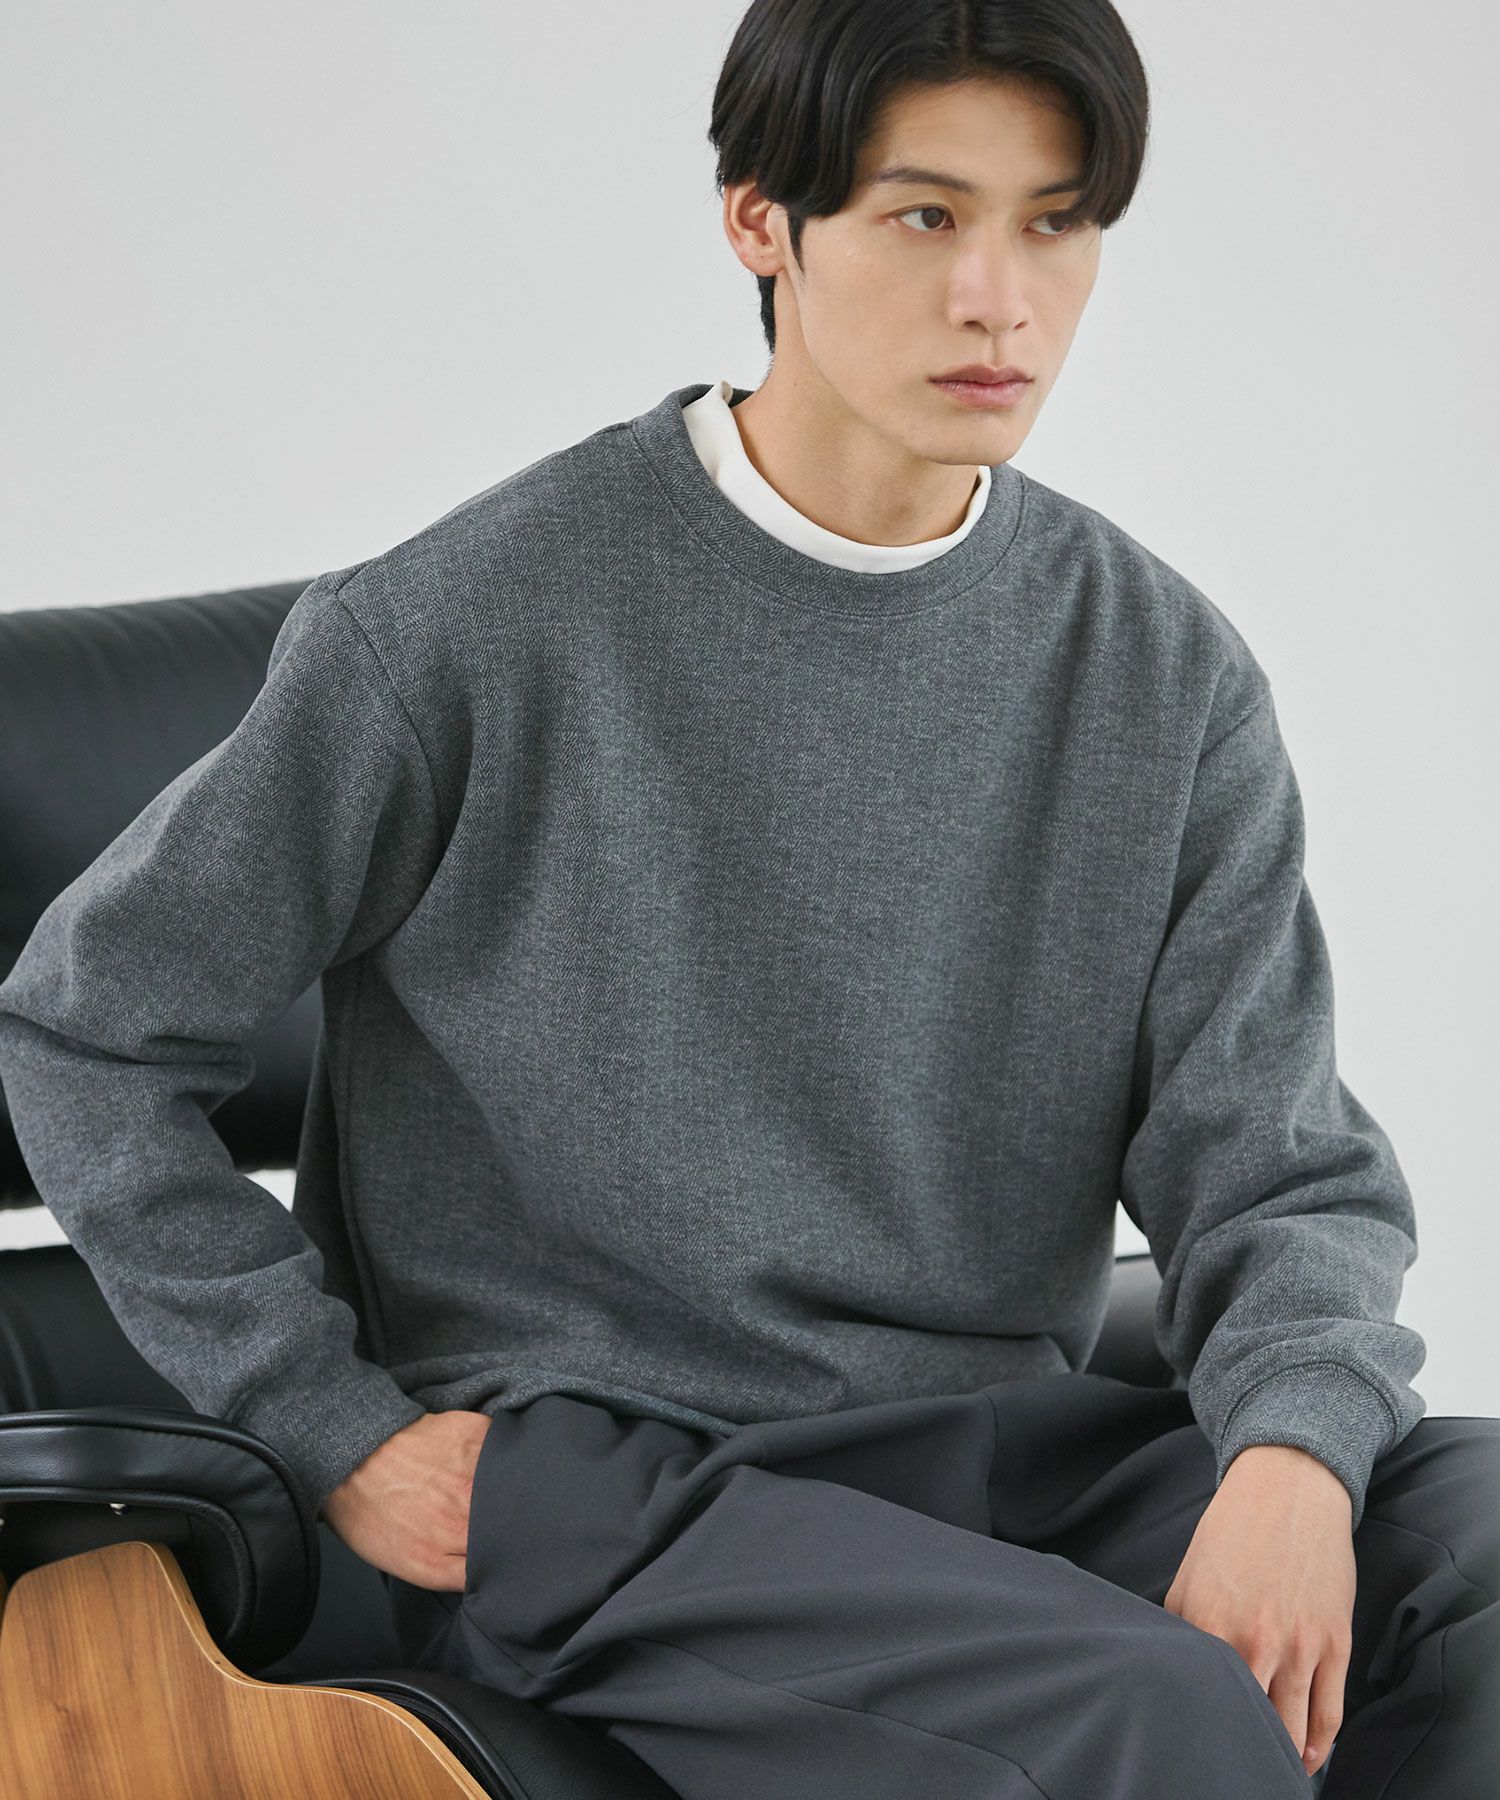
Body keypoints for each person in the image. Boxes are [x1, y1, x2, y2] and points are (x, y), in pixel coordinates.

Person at [0, 2, 1494, 1794]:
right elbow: (85, 1032)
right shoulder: (465, 627)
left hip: (1000, 1457)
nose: (999, 302)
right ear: (761, 221)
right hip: (620, 1496)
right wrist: (338, 1433)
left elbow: (1280, 1167)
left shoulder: (1161, 674)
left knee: (1480, 1563)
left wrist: (1295, 1462)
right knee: (1150, 1714)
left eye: (1055, 223)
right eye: (926, 215)